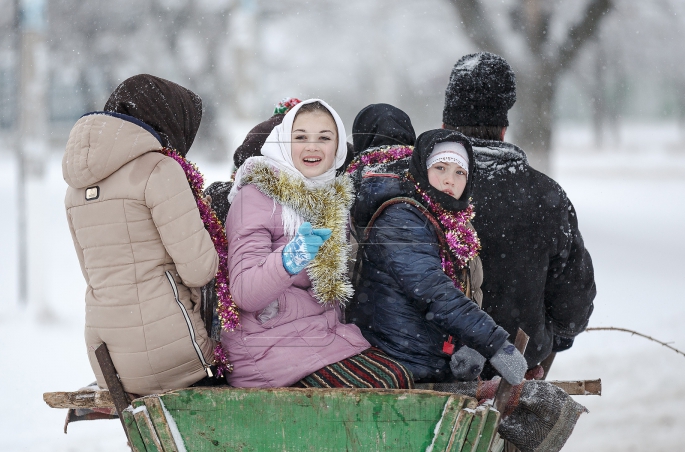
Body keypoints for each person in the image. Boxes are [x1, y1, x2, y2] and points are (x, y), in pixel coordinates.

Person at [223, 99, 413, 389]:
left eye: (324, 138)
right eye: (301, 138)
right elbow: (245, 293)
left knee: (398, 374)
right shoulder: (256, 197)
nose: (312, 147)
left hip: (314, 335)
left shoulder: (330, 198)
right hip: (264, 347)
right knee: (382, 385)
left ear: (337, 147)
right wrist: (290, 258)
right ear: (285, 143)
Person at [62, 74, 219, 395]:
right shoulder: (157, 170)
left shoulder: (75, 190)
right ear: (169, 120)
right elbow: (200, 269)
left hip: (108, 359)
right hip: (173, 349)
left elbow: (91, 272)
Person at [441, 52, 596, 372]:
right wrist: (548, 341)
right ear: (503, 130)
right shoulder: (546, 197)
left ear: (444, 127)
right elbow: (573, 305)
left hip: (423, 365)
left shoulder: (415, 189)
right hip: (515, 370)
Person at [347, 128, 528, 385]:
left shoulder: (446, 219)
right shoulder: (402, 218)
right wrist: (494, 343)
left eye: (459, 172)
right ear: (422, 169)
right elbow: (433, 291)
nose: (449, 181)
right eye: (440, 168)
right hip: (400, 360)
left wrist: (461, 346)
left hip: (421, 355)